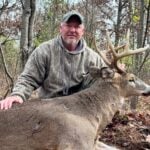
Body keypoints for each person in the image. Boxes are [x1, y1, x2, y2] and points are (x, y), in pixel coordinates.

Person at [0, 10, 106, 110]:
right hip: (49, 109)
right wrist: (18, 95)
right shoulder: (44, 51)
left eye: (77, 27)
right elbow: (28, 78)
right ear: (61, 28)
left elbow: (106, 82)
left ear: (82, 31)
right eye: (68, 26)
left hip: (78, 110)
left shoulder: (93, 58)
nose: (72, 30)